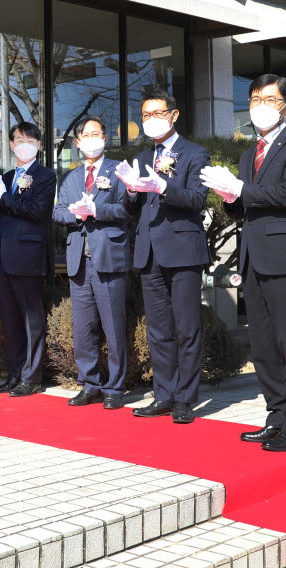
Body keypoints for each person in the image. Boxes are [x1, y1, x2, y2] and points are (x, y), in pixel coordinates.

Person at [201, 74, 286, 452]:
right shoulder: (249, 152)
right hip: (253, 257)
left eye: (269, 99)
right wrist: (228, 195)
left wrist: (242, 190)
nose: (260, 106)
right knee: (264, 346)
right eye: (254, 99)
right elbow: (245, 205)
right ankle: (276, 416)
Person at [114, 88, 211, 424]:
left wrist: (165, 187)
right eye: (145, 115)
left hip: (183, 252)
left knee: (186, 327)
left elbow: (199, 200)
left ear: (174, 115)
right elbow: (129, 209)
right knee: (157, 330)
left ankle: (185, 398)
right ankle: (164, 394)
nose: (151, 120)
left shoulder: (195, 154)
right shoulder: (141, 158)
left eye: (157, 113)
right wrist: (129, 190)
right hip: (148, 252)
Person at [53, 117, 133, 409]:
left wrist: (96, 209)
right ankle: (89, 383)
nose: (91, 139)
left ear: (105, 138)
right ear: (77, 142)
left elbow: (126, 209)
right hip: (79, 261)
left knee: (113, 325)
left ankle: (115, 386)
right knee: (83, 328)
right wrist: (76, 214)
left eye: (96, 134)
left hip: (109, 258)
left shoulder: (117, 171)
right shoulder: (72, 177)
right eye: (85, 135)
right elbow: (58, 212)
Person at [0, 122, 57, 397]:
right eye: (18, 140)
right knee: (11, 320)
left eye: (30, 140)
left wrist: (4, 198)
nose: (24, 144)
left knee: (31, 320)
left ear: (38, 145)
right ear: (11, 145)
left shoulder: (45, 176)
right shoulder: (5, 176)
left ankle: (32, 377)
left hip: (29, 257)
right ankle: (14, 374)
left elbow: (37, 211)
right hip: (3, 256)